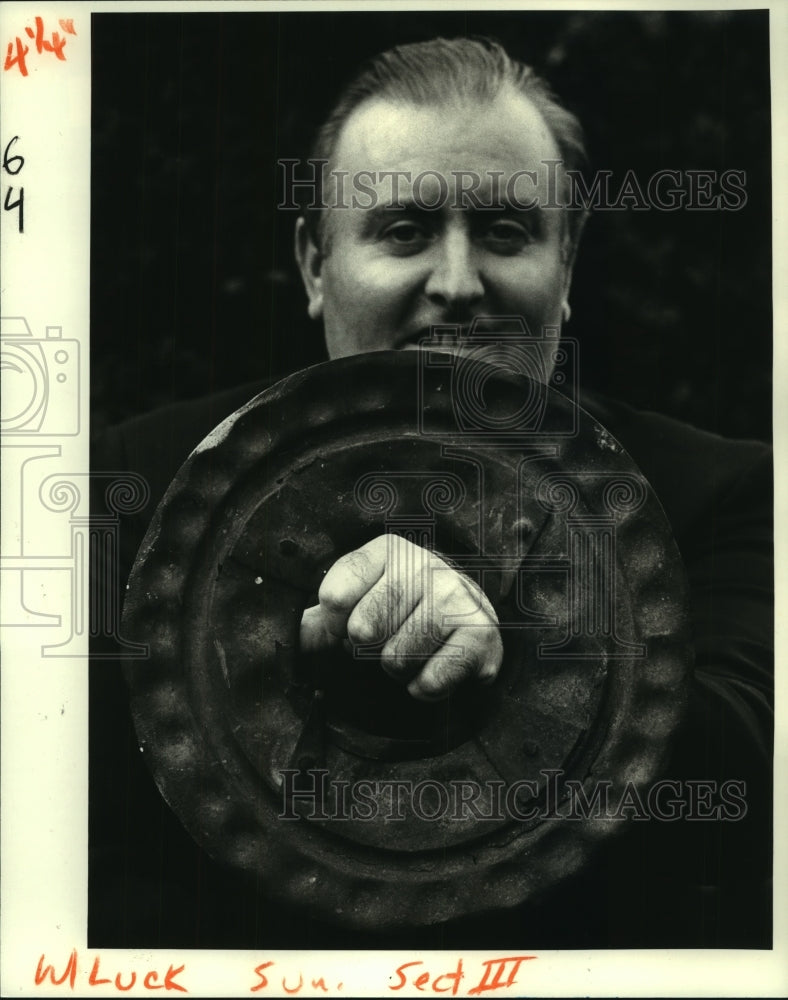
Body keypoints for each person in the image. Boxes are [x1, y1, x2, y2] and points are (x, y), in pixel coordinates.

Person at [90, 36, 773, 950]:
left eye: (505, 232)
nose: (458, 286)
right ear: (313, 264)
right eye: (404, 231)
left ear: (566, 268)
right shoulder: (137, 488)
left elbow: (747, 792)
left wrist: (518, 641)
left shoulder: (725, 492)